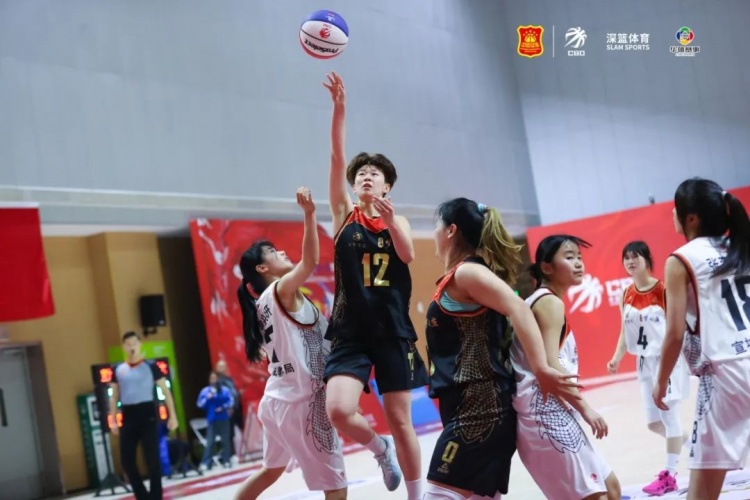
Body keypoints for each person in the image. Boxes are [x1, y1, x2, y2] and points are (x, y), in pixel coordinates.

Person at [423, 198, 583, 500]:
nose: (433, 232)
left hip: (479, 412)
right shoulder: (463, 275)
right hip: (475, 408)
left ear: (450, 231)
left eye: (436, 225)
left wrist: (541, 368)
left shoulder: (467, 273)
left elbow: (519, 309)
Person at [321, 71, 428, 499]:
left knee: (401, 420)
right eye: (361, 173)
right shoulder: (343, 214)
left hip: (391, 329)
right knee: (338, 409)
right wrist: (340, 108)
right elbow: (336, 156)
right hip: (350, 331)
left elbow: (408, 255)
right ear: (353, 185)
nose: (367, 176)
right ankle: (378, 448)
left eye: (375, 173)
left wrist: (390, 223)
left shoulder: (397, 221)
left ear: (388, 185)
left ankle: (418, 496)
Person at [233, 187, 347, 500]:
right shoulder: (281, 290)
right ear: (262, 269)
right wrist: (310, 214)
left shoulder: (266, 301)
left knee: (270, 471)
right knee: (336, 487)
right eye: (273, 252)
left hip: (276, 400)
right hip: (301, 402)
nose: (282, 252)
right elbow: (310, 261)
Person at [653, 178, 750, 500]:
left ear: (691, 218)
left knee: (701, 494)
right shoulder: (740, 246)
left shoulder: (682, 259)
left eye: (676, 209)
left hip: (726, 374)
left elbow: (674, 333)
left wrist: (661, 381)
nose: (672, 214)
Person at [512, 235, 621, 500]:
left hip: (554, 411)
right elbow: (550, 365)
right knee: (596, 496)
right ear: (547, 267)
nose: (578, 263)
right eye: (569, 257)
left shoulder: (543, 300)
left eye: (579, 257)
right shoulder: (549, 302)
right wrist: (586, 409)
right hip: (544, 417)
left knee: (612, 489)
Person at [606, 240, 690, 495]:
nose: (630, 261)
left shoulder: (663, 290)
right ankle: (699, 450)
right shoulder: (626, 293)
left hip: (666, 360)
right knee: (654, 423)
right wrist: (617, 357)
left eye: (635, 256)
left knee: (670, 417)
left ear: (647, 259)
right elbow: (625, 331)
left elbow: (678, 327)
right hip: (643, 363)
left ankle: (670, 474)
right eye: (626, 257)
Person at [109, 331, 178, 500]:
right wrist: (113, 420)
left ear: (140, 345)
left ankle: (156, 496)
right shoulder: (118, 369)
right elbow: (114, 396)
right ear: (124, 347)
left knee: (152, 458)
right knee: (127, 460)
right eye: (128, 344)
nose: (132, 346)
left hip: (147, 413)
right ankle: (142, 496)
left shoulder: (151, 366)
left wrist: (173, 415)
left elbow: (166, 392)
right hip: (128, 413)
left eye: (134, 343)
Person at [197, 371, 234, 470]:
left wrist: (223, 407)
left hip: (224, 418)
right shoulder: (205, 391)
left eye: (215, 378)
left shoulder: (225, 390)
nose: (213, 380)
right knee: (210, 442)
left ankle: (226, 461)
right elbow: (200, 404)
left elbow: (231, 401)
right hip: (212, 419)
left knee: (225, 441)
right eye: (211, 378)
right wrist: (207, 398)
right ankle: (206, 463)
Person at [215, 359, 244, 459]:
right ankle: (230, 455)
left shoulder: (229, 379)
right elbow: (220, 397)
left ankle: (239, 453)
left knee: (239, 429)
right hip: (226, 410)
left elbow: (233, 393)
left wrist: (238, 394)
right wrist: (228, 407)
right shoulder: (218, 382)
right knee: (229, 433)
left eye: (224, 366)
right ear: (217, 369)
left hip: (235, 408)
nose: (223, 368)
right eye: (220, 366)